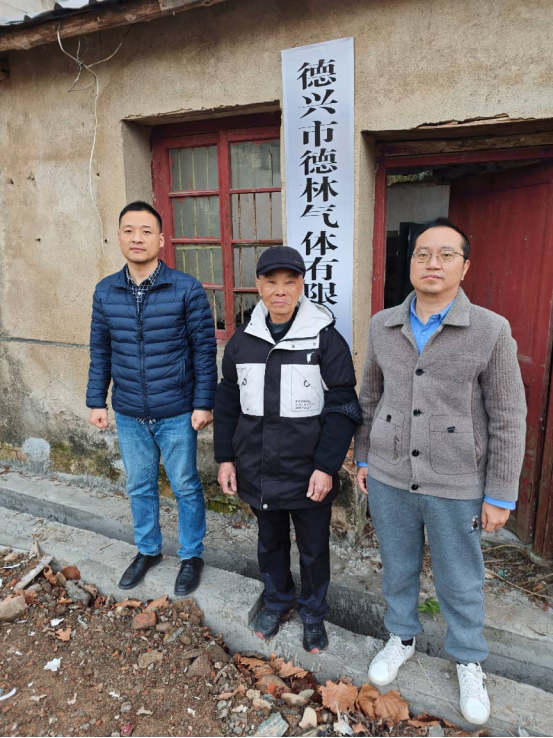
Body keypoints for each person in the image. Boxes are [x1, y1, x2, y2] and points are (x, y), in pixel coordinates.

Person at [355, 217, 526, 725]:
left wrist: (500, 493)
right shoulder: (383, 325)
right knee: (397, 563)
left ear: (465, 266)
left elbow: (508, 413)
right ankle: (401, 636)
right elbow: (369, 397)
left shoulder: (490, 330)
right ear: (410, 263)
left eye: (446, 254)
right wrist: (364, 456)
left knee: (459, 576)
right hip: (389, 473)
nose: (433, 263)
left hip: (457, 480)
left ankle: (468, 659)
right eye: (423, 254)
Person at [214, 246, 361, 653]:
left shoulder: (325, 338)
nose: (280, 290)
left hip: (308, 471)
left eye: (289, 282)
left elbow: (343, 406)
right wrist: (225, 458)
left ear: (301, 285)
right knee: (270, 542)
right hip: (257, 467)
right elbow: (227, 402)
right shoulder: (243, 341)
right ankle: (277, 601)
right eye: (271, 282)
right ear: (258, 286)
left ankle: (313, 613)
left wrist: (326, 466)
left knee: (313, 548)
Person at [86, 201, 217, 596]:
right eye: (129, 230)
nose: (137, 238)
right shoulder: (106, 291)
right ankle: (148, 550)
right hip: (129, 411)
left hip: (176, 411)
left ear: (161, 239)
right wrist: (96, 401)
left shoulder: (185, 288)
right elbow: (101, 350)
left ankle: (191, 555)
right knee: (139, 486)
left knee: (185, 485)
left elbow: (203, 350)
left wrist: (203, 402)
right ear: (119, 237)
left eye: (146, 231)